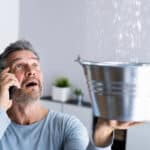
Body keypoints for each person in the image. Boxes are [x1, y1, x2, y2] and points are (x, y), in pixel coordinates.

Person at [0, 40, 140, 150]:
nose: (31, 71)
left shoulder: (67, 126)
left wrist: (103, 130)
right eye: (19, 65)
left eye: (35, 64)